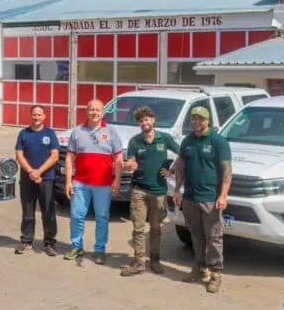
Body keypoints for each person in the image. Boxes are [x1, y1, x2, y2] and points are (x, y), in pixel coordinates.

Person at [173, 106, 232, 293]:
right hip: (190, 197)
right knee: (196, 236)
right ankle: (199, 268)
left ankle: (216, 274)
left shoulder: (218, 141)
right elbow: (181, 167)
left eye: (200, 118)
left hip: (210, 198)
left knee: (213, 237)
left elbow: (227, 170)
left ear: (208, 121)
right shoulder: (187, 141)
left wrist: (223, 195)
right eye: (194, 118)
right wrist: (177, 190)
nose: (196, 122)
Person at [120, 106, 180, 277]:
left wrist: (172, 170)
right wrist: (129, 165)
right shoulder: (135, 141)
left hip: (159, 191)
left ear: (153, 120)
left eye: (146, 119)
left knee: (155, 228)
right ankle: (139, 261)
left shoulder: (164, 138)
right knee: (138, 228)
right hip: (139, 190)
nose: (144, 123)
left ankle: (154, 260)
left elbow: (182, 153)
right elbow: (130, 161)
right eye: (140, 121)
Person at [64, 99, 123, 265]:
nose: (94, 113)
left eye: (98, 110)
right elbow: (69, 158)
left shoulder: (111, 131)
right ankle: (77, 247)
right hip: (80, 183)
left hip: (103, 184)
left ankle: (99, 250)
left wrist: (117, 180)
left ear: (102, 113)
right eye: (91, 110)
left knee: (102, 217)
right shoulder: (77, 131)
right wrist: (68, 181)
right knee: (76, 216)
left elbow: (119, 158)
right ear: (86, 111)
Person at [14, 105, 60, 256]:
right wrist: (31, 171)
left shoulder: (50, 133)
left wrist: (39, 172)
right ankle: (26, 241)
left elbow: (54, 155)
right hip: (27, 179)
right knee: (28, 212)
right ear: (30, 116)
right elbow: (19, 155)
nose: (37, 117)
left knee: (48, 212)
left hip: (46, 179)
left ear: (44, 116)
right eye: (34, 114)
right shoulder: (23, 133)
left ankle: (50, 242)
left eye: (39, 115)